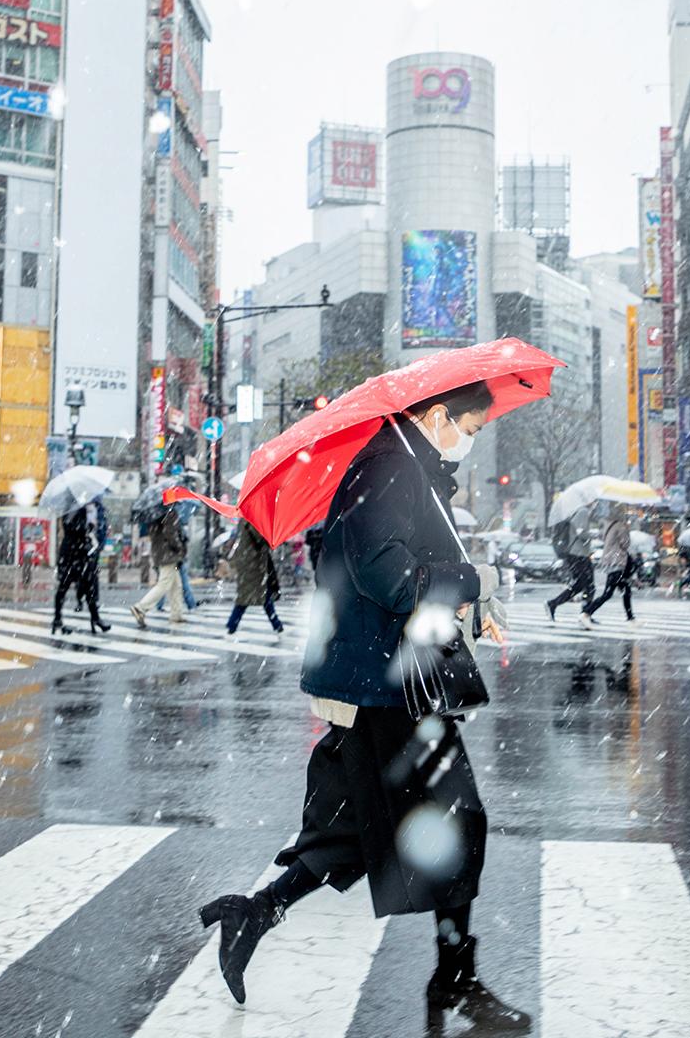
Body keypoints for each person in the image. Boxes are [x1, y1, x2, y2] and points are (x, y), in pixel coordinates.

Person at [196, 380, 527, 1031]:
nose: (472, 437)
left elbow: (403, 562)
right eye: (469, 425)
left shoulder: (401, 466)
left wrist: (470, 593)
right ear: (437, 416)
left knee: (349, 833)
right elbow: (389, 575)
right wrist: (473, 580)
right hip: (386, 685)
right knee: (454, 823)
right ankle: (453, 982)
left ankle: (254, 914)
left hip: (378, 679)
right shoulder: (389, 466)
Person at [51, 504, 111, 635]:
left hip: (74, 553)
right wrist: (89, 527)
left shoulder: (72, 508)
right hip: (74, 554)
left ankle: (93, 618)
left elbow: (73, 528)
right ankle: (59, 619)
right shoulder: (74, 509)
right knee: (66, 587)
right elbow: (73, 528)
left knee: (85, 587)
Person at [225, 522, 285, 642]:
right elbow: (261, 541)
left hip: (250, 565)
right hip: (254, 567)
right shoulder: (253, 522)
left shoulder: (245, 521)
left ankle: (232, 626)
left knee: (249, 598)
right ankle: (278, 626)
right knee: (256, 599)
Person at [130, 504, 188, 628]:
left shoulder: (154, 516)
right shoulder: (170, 513)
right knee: (164, 584)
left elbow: (157, 534)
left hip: (160, 554)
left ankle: (176, 614)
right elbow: (170, 534)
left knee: (176, 585)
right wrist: (179, 548)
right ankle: (140, 607)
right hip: (169, 555)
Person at [581, 511, 634, 626]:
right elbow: (625, 544)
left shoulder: (609, 526)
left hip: (611, 561)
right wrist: (627, 532)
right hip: (617, 562)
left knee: (625, 591)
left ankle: (631, 618)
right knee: (608, 593)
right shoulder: (621, 526)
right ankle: (586, 613)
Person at [544, 505, 595, 622]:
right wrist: (592, 535)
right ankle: (585, 613)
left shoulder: (576, 511)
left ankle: (555, 604)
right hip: (579, 554)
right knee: (588, 586)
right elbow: (581, 533)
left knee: (582, 585)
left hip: (577, 555)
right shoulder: (582, 511)